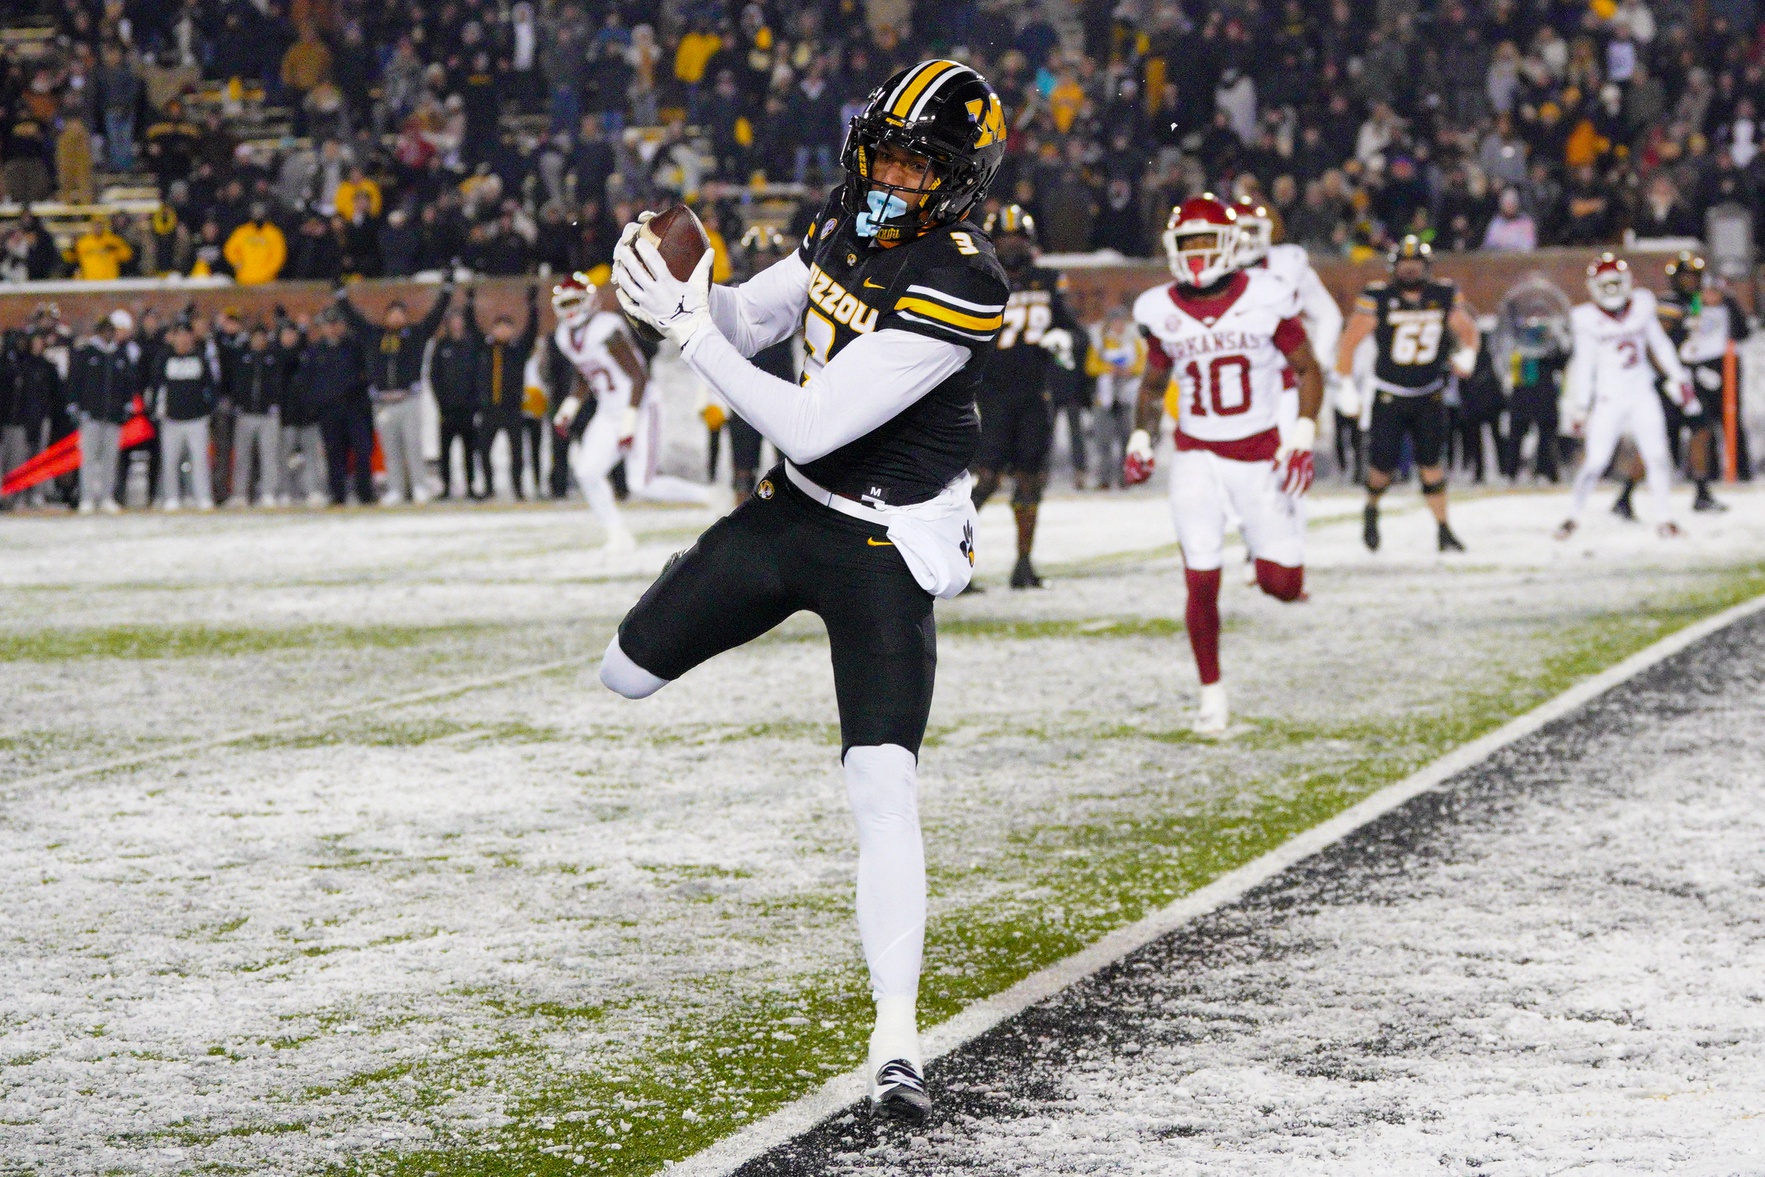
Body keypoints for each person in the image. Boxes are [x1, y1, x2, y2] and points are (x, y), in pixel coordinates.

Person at [605, 59, 1010, 1122]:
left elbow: (815, 418)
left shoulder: (964, 276)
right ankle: (686, 595)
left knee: (881, 786)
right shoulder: (841, 220)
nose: (892, 175)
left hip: (880, 543)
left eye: (919, 163)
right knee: (624, 673)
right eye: (883, 151)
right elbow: (746, 322)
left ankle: (895, 1041)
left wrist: (690, 339)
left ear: (959, 178)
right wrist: (682, 300)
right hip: (790, 513)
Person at [1121, 195, 1324, 735]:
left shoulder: (1265, 295)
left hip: (1259, 456)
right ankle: (1211, 692)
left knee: (1282, 582)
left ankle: (1266, 560)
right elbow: (1153, 384)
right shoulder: (1159, 308)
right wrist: (1142, 438)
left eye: (1206, 240)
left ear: (1231, 245)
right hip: (1197, 456)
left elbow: (1309, 370)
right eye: (1187, 241)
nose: (1196, 252)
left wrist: (1302, 435)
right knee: (1200, 575)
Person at [1335, 236, 1480, 553]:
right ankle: (1372, 507)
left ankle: (1443, 530)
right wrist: (1345, 384)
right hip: (1390, 395)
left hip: (1429, 394)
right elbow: (1350, 340)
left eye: (1416, 264)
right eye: (1405, 263)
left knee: (1432, 465)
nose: (1411, 270)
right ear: (1394, 267)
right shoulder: (1379, 296)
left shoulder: (1442, 294)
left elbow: (1467, 327)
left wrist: (1468, 353)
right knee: (1381, 469)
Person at [967, 205, 1080, 589]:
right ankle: (951, 561)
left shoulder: (1047, 280)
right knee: (985, 480)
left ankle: (1023, 565)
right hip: (989, 395)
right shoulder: (980, 279)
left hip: (1034, 395)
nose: (1012, 245)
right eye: (1005, 238)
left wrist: (1066, 341)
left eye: (1018, 238)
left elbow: (1073, 330)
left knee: (1031, 481)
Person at [1555, 255, 1699, 540]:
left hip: (1642, 393)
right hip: (1609, 398)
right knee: (1596, 461)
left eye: (1615, 284)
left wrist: (1679, 378)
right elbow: (1584, 365)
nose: (1611, 291)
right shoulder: (1586, 318)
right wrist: (1580, 406)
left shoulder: (1642, 306)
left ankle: (1664, 519)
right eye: (1605, 285)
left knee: (1657, 456)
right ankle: (1573, 516)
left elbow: (1660, 344)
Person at [551, 276, 648, 548]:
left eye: (575, 302)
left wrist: (629, 423)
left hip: (638, 403)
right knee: (587, 472)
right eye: (565, 303)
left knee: (643, 484)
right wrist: (568, 409)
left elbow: (639, 377)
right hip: (608, 409)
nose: (570, 309)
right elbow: (586, 375)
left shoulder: (606, 328)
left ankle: (710, 498)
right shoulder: (565, 336)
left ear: (589, 301)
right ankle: (618, 534)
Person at [335, 281, 453, 504]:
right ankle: (396, 488)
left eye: (401, 314)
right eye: (393, 314)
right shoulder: (374, 336)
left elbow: (434, 316)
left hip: (408, 398)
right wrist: (341, 297)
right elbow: (354, 319)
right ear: (386, 316)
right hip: (383, 402)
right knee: (390, 447)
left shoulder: (415, 335)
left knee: (412, 444)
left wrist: (446, 291)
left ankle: (419, 486)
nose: (397, 318)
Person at [1658, 251, 1751, 512]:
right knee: (1658, 437)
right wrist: (1673, 372)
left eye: (1693, 276)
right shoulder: (1669, 303)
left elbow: (1734, 331)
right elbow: (1661, 344)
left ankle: (1701, 490)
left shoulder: (1701, 302)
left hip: (1689, 379)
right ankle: (1628, 493)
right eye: (1684, 277)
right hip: (1668, 381)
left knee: (1701, 429)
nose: (1689, 282)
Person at [476, 286, 541, 501]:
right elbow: (472, 329)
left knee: (517, 453)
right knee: (484, 450)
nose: (502, 331)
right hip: (489, 409)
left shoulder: (517, 350)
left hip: (512, 408)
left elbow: (532, 331)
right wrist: (470, 304)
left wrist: (532, 306)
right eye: (499, 327)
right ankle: (488, 486)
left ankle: (518, 487)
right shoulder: (485, 349)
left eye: (507, 327)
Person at [302, 310, 373, 506]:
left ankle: (365, 493)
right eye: (328, 324)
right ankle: (338, 493)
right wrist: (316, 406)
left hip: (354, 409)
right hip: (329, 411)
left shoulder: (353, 347)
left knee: (361, 451)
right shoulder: (315, 351)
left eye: (336, 324)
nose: (332, 328)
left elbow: (366, 374)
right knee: (335, 455)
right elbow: (309, 382)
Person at [68, 314, 136, 514]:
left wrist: (126, 406)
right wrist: (75, 406)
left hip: (113, 416)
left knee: (110, 459)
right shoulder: (86, 353)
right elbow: (75, 381)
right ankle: (87, 497)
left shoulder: (119, 355)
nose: (108, 334)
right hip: (91, 416)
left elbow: (127, 384)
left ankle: (107, 496)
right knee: (88, 459)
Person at [223, 320, 295, 507]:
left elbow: (282, 381)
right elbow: (234, 381)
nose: (259, 341)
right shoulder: (242, 357)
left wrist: (274, 403)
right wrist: (238, 403)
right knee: (242, 456)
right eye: (256, 338)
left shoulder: (274, 358)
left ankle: (269, 492)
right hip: (245, 413)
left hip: (268, 414)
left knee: (269, 456)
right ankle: (240, 494)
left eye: (262, 338)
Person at [152, 320, 218, 511]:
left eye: (185, 335)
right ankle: (171, 497)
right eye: (178, 335)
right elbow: (156, 385)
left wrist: (208, 409)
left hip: (196, 419)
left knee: (200, 461)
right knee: (170, 461)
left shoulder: (200, 357)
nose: (182, 339)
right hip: (171, 419)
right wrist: (156, 409)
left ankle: (203, 497)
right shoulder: (164, 358)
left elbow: (210, 386)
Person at [429, 294, 485, 500]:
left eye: (459, 319)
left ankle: (471, 485)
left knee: (469, 450)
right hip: (447, 409)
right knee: (445, 450)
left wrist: (476, 401)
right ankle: (445, 486)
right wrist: (441, 402)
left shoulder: (472, 345)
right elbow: (434, 376)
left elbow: (479, 374)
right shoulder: (441, 346)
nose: (457, 323)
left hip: (468, 408)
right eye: (453, 320)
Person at [0, 330, 61, 509]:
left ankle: (32, 493)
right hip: (16, 419)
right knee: (15, 460)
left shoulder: (45, 367)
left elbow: (52, 394)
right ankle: (12, 495)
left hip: (35, 418)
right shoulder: (18, 365)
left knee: (34, 459)